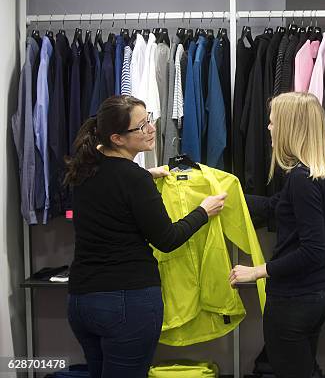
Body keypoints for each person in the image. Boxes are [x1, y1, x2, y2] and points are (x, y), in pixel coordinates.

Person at [64, 95, 227, 378]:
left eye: (149, 119)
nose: (151, 129)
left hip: (81, 302)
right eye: (141, 127)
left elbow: (112, 193)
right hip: (126, 302)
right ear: (117, 137)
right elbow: (167, 239)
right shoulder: (133, 178)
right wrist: (203, 210)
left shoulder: (84, 170)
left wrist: (145, 176)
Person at [229, 92, 325, 378]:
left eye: (272, 122)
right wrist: (226, 193)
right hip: (315, 295)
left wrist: (257, 271)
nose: (268, 128)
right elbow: (273, 206)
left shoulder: (300, 180)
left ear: (291, 127)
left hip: (293, 300)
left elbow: (312, 250)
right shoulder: (322, 174)